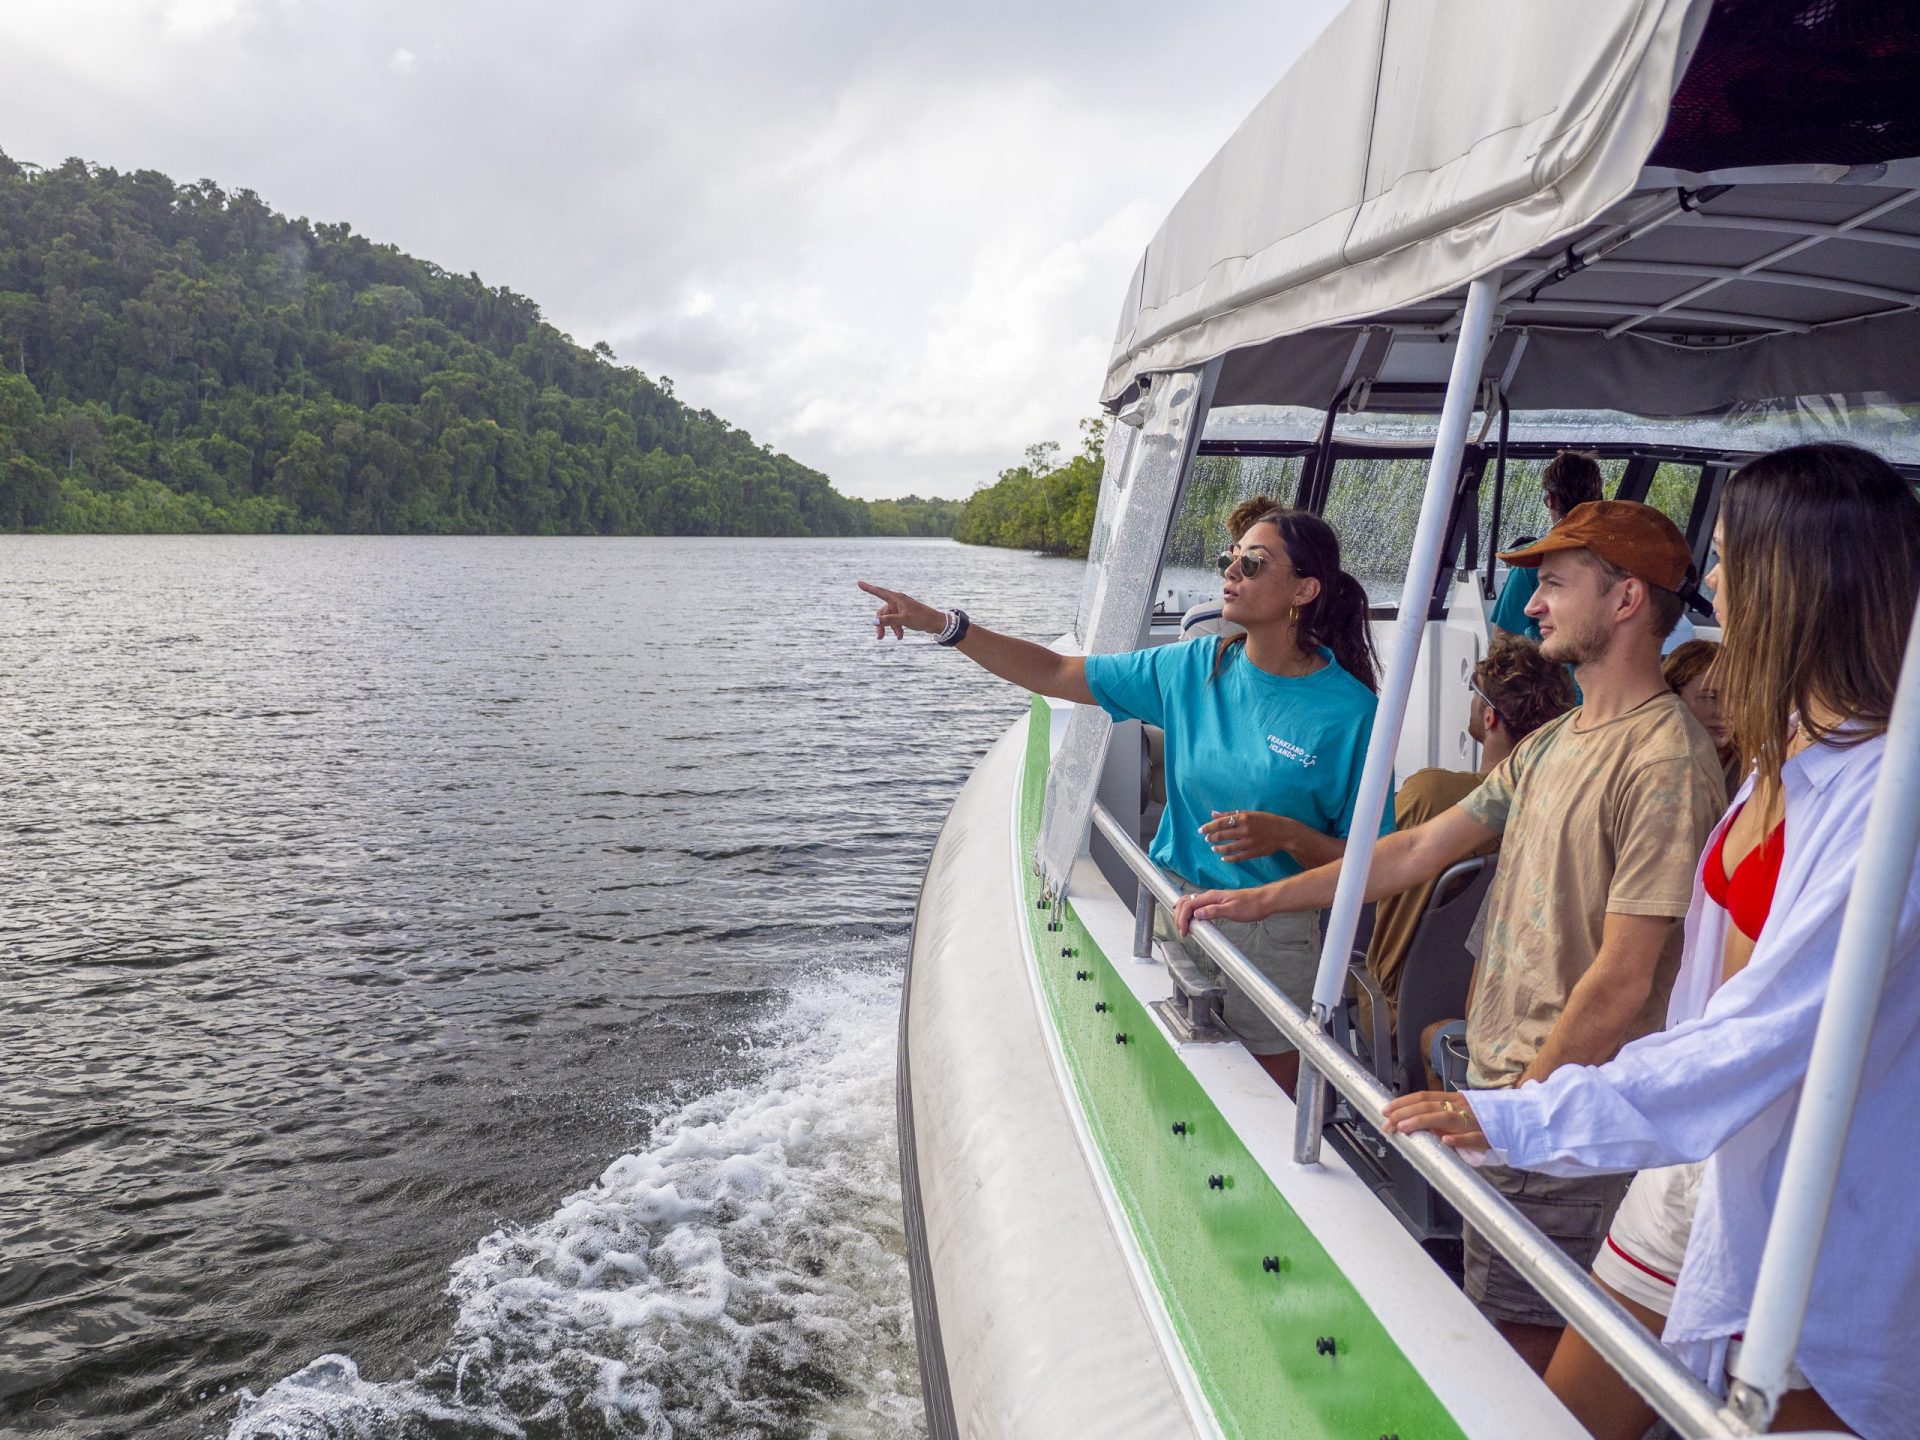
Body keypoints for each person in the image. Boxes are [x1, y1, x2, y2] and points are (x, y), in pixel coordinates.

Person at [1384, 443, 1920, 1440]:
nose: (1710, 587)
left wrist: (1518, 1114)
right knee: (1558, 1417)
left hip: (1811, 1194)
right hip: (1695, 1163)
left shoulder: (1886, 797)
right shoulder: (1790, 757)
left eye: (1726, 559)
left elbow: (1754, 1037)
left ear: (1799, 577)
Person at [1175, 499, 1727, 1372]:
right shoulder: (1559, 741)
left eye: (1551, 585)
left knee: (1522, 1361)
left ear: (1625, 602)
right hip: (1513, 1095)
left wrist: (1510, 1114)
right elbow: (1417, 847)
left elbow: (1625, 979)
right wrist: (1265, 899)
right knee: (1494, 1324)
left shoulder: (1665, 762)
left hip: (1565, 1117)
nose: (1533, 605)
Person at [859, 497, 1388, 1095]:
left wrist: (1288, 836)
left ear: (1304, 590)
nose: (1230, 573)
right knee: (1171, 1087)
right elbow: (1056, 672)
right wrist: (945, 625)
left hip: (1272, 934)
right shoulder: (1194, 668)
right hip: (1175, 910)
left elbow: (1376, 863)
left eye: (1254, 564)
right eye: (1230, 559)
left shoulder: (1352, 713)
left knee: (1267, 1104)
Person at [1360, 636, 1576, 1051]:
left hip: (1398, 1015)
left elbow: (1375, 879)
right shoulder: (1559, 813)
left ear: (1490, 717)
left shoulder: (1431, 796)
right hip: (1513, 1020)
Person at [1490, 451, 1606, 644]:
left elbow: (1505, 638)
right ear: (1599, 498)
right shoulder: (1621, 557)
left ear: (1551, 499)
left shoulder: (1533, 560)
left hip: (1554, 672)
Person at [1664, 637, 1741, 793]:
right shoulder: (1654, 765)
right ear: (1675, 698)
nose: (1724, 712)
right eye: (1709, 698)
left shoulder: (1759, 770)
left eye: (1735, 698)